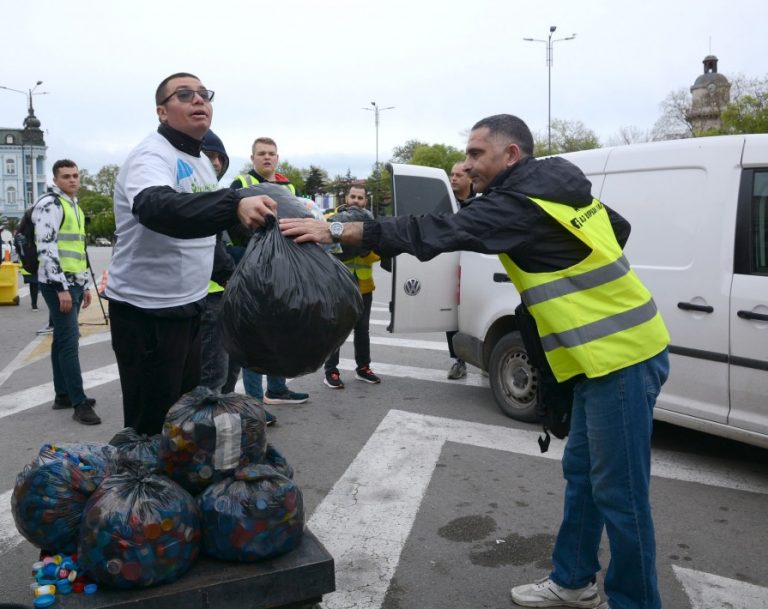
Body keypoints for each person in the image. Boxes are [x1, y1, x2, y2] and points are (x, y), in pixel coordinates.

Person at [281, 114, 671, 609]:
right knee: (585, 476)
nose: (465, 164)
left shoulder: (522, 204)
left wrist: (337, 227)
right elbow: (620, 227)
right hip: (603, 357)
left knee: (621, 494)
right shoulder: (558, 190)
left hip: (621, 358)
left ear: (510, 155)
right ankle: (573, 580)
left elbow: (435, 232)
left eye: (474, 154)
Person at [106, 72, 276, 436]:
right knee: (150, 423)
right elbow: (157, 208)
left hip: (190, 306)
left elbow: (204, 232)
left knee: (183, 415)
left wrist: (231, 276)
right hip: (147, 311)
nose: (198, 100)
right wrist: (233, 202)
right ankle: (142, 490)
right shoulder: (150, 155)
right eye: (184, 94)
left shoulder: (200, 161)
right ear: (162, 112)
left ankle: (175, 485)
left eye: (203, 93)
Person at [227, 137, 309, 408]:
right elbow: (228, 222)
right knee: (255, 337)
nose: (267, 158)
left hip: (284, 269)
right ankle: (253, 403)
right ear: (252, 158)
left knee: (281, 331)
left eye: (271, 154)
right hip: (254, 269)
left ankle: (277, 389)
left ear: (278, 157)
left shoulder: (289, 186)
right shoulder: (241, 184)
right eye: (261, 153)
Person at [34, 159, 100, 425]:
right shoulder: (50, 204)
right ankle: (78, 402)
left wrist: (83, 285)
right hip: (56, 284)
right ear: (55, 180)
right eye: (65, 176)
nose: (72, 180)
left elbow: (79, 250)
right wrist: (61, 287)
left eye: (75, 175)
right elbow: (46, 248)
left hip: (73, 282)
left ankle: (62, 394)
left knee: (62, 339)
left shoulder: (74, 206)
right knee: (70, 342)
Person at [323, 185, 381, 389]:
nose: (356, 200)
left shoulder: (370, 222)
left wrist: (364, 250)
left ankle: (363, 368)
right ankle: (331, 371)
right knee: (336, 329)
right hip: (339, 285)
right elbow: (326, 248)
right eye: (353, 196)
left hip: (364, 286)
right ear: (346, 198)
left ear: (365, 201)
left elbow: (378, 253)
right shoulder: (332, 218)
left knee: (362, 329)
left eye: (360, 197)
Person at [445, 161, 475, 380]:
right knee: (451, 317)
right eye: (451, 175)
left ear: (470, 179)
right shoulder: (446, 203)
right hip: (451, 268)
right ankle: (458, 360)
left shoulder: (479, 203)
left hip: (476, 269)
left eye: (458, 175)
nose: (453, 178)